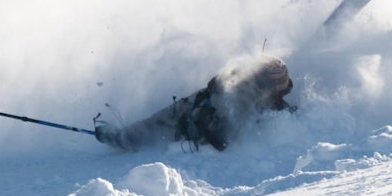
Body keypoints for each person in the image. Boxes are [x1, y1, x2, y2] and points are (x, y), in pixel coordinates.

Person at [93, 54, 296, 151]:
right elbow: (221, 135)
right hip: (193, 113)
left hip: (193, 124)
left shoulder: (264, 103)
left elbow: (221, 139)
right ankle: (123, 138)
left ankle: (124, 138)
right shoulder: (239, 93)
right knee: (160, 122)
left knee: (162, 122)